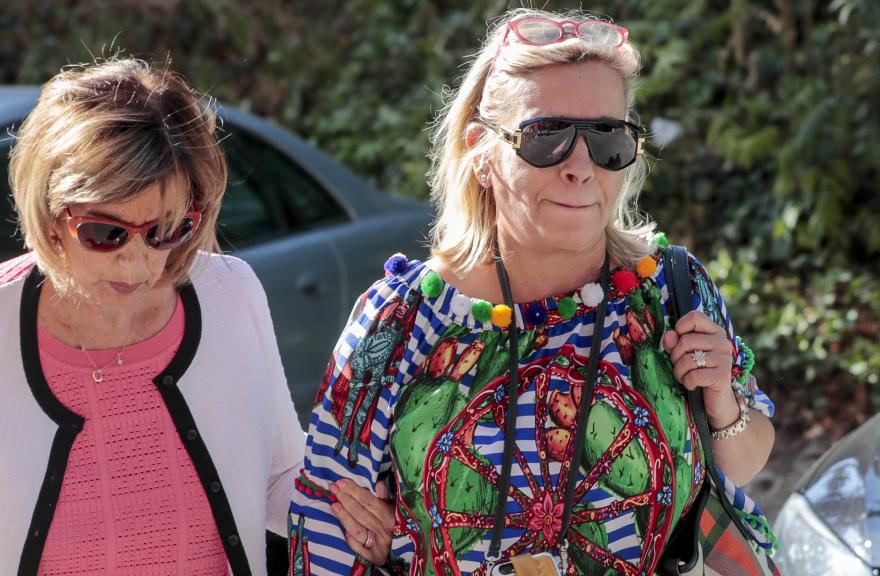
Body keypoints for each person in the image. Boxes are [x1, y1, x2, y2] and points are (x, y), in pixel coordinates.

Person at [289, 8, 777, 575]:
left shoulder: (669, 290)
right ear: (480, 153)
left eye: (608, 139)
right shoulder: (400, 325)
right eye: (545, 137)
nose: (580, 167)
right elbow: (321, 534)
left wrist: (721, 397)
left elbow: (743, 466)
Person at [0, 57, 384, 576]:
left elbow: (276, 473)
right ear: (48, 213)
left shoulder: (232, 294)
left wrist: (348, 512)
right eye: (104, 232)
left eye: (168, 229)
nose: (138, 262)